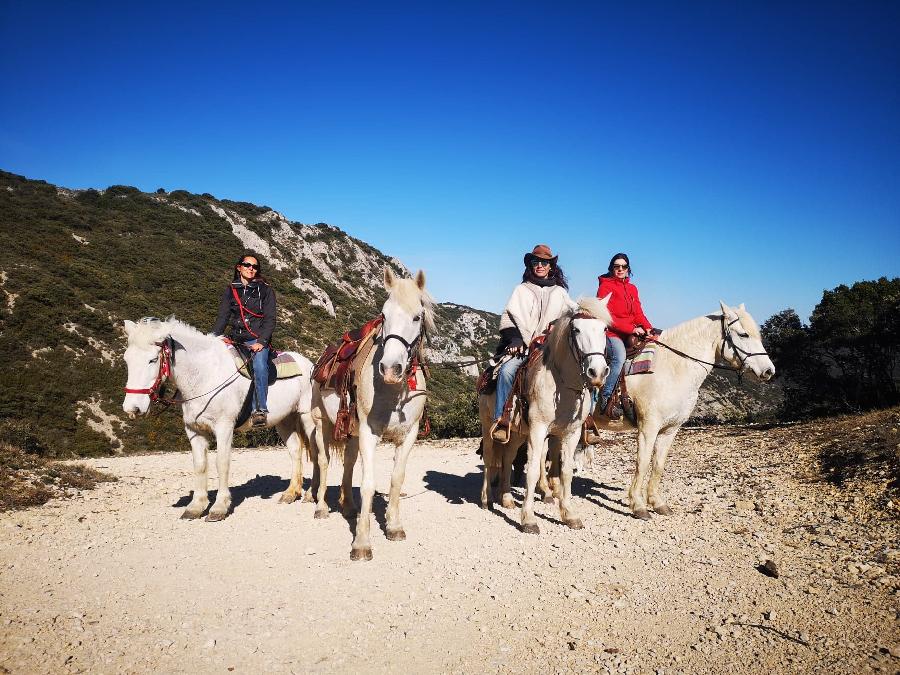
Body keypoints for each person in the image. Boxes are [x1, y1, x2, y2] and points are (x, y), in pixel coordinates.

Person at [490, 244, 574, 443]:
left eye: (544, 262)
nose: (540, 265)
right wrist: (516, 339)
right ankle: (502, 419)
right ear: (531, 265)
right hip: (526, 347)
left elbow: (569, 316)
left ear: (551, 266)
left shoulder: (560, 293)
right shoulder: (521, 290)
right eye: (536, 262)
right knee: (507, 371)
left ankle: (583, 419)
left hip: (553, 348)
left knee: (580, 372)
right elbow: (510, 318)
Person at [213, 252, 276, 427]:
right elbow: (223, 317)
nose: (251, 269)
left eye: (255, 267)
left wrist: (261, 342)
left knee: (260, 365)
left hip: (255, 340)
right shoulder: (230, 290)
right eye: (247, 265)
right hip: (234, 339)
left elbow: (270, 319)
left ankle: (259, 410)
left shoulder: (266, 290)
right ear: (239, 267)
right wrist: (215, 338)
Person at [596, 252, 653, 414]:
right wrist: (631, 329)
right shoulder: (605, 286)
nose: (620, 269)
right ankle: (605, 398)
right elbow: (605, 316)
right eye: (617, 266)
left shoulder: (632, 288)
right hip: (612, 333)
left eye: (624, 266)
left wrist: (648, 328)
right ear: (611, 268)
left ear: (628, 269)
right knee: (619, 357)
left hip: (631, 332)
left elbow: (638, 313)